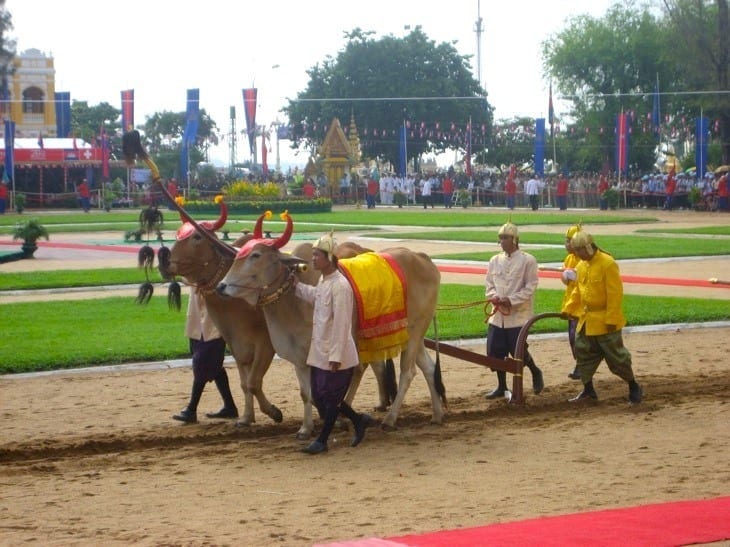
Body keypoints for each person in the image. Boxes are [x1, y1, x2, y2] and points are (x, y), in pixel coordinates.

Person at [293, 232, 374, 454]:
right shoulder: (324, 281)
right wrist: (296, 286)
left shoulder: (341, 286)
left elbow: (342, 324)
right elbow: (317, 296)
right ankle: (358, 420)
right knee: (321, 398)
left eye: (316, 256)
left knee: (330, 400)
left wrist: (336, 356)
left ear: (329, 258)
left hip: (336, 355)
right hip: (320, 351)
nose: (313, 260)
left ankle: (322, 440)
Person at [562, 231, 643, 404]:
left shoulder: (607, 263)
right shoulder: (581, 266)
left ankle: (633, 386)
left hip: (605, 321)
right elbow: (578, 291)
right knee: (582, 354)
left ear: (588, 247)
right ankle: (588, 390)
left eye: (579, 251)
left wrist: (612, 319)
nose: (577, 255)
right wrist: (568, 308)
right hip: (586, 320)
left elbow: (615, 294)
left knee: (617, 358)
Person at [484, 222, 544, 399]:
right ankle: (501, 386)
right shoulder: (494, 260)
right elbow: (489, 284)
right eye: (500, 238)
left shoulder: (528, 260)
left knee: (517, 350)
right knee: (495, 351)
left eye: (505, 238)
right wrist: (494, 296)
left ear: (515, 239)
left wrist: (511, 300)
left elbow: (530, 287)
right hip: (497, 316)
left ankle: (535, 371)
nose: (502, 242)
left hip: (518, 315)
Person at [173, 288, 239, 423]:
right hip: (198, 317)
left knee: (202, 361)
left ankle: (191, 409)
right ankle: (230, 407)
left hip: (214, 319)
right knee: (214, 365)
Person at [561, 224, 582, 380]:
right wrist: (565, 277)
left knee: (577, 337)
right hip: (570, 303)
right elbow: (566, 281)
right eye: (566, 240)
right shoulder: (569, 258)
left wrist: (577, 276)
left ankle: (581, 365)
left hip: (581, 306)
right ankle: (580, 363)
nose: (566, 244)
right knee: (571, 338)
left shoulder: (584, 259)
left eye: (569, 241)